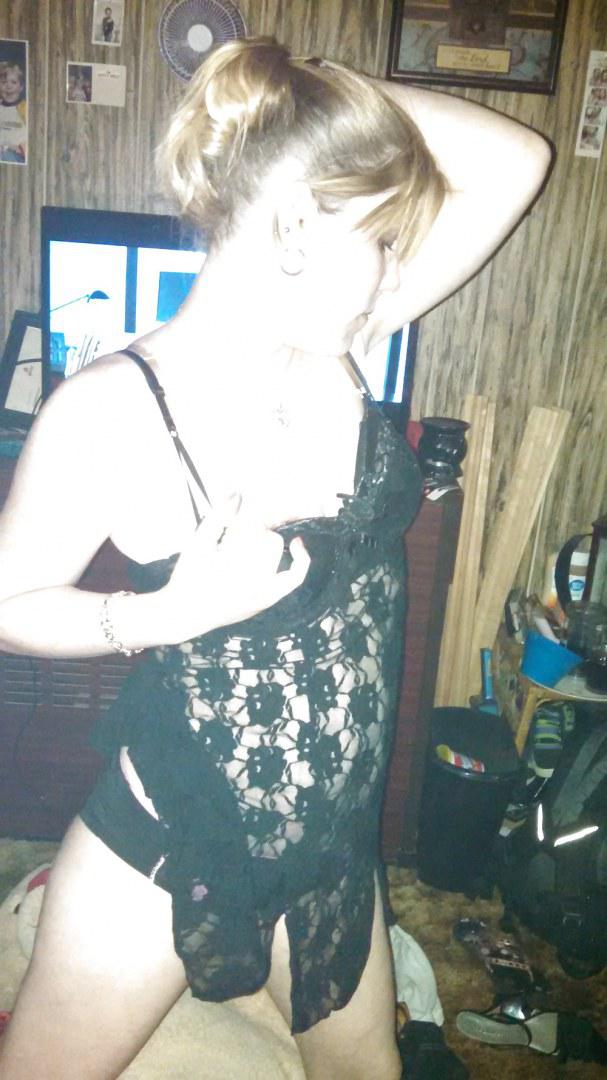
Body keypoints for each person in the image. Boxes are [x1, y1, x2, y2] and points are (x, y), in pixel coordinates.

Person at [0, 37, 550, 1080]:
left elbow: (516, 160)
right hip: (173, 840)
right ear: (297, 225)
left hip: (334, 846)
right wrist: (157, 616)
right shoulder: (110, 410)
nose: (392, 268)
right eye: (379, 238)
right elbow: (7, 601)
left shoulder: (342, 339)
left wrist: (299, 96)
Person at [0, 62, 26, 164]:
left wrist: (20, 148)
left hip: (17, 154)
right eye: (4, 82)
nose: (8, 86)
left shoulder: (24, 107)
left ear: (21, 87)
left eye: (13, 82)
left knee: (8, 155)